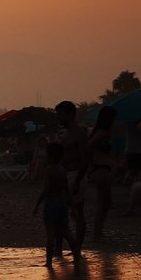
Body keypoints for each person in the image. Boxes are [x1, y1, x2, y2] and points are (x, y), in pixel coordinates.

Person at [34, 142, 79, 266]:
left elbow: (46, 189)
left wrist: (37, 204)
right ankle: (77, 257)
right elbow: (67, 189)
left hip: (51, 203)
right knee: (66, 232)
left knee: (50, 234)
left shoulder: (49, 170)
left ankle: (48, 263)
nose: (45, 157)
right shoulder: (62, 170)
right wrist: (73, 207)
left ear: (52, 157)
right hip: (62, 202)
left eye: (47, 155)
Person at [54, 100, 89, 256]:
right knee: (61, 212)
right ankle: (60, 248)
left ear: (70, 115)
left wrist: (77, 180)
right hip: (64, 175)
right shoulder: (63, 133)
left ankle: (77, 248)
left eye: (61, 115)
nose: (58, 118)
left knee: (78, 212)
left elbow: (84, 159)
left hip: (75, 174)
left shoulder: (79, 133)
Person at [86, 105, 117, 243]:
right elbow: (88, 147)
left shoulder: (103, 131)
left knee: (106, 202)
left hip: (103, 168)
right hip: (101, 169)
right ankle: (97, 234)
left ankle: (99, 232)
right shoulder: (102, 132)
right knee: (102, 202)